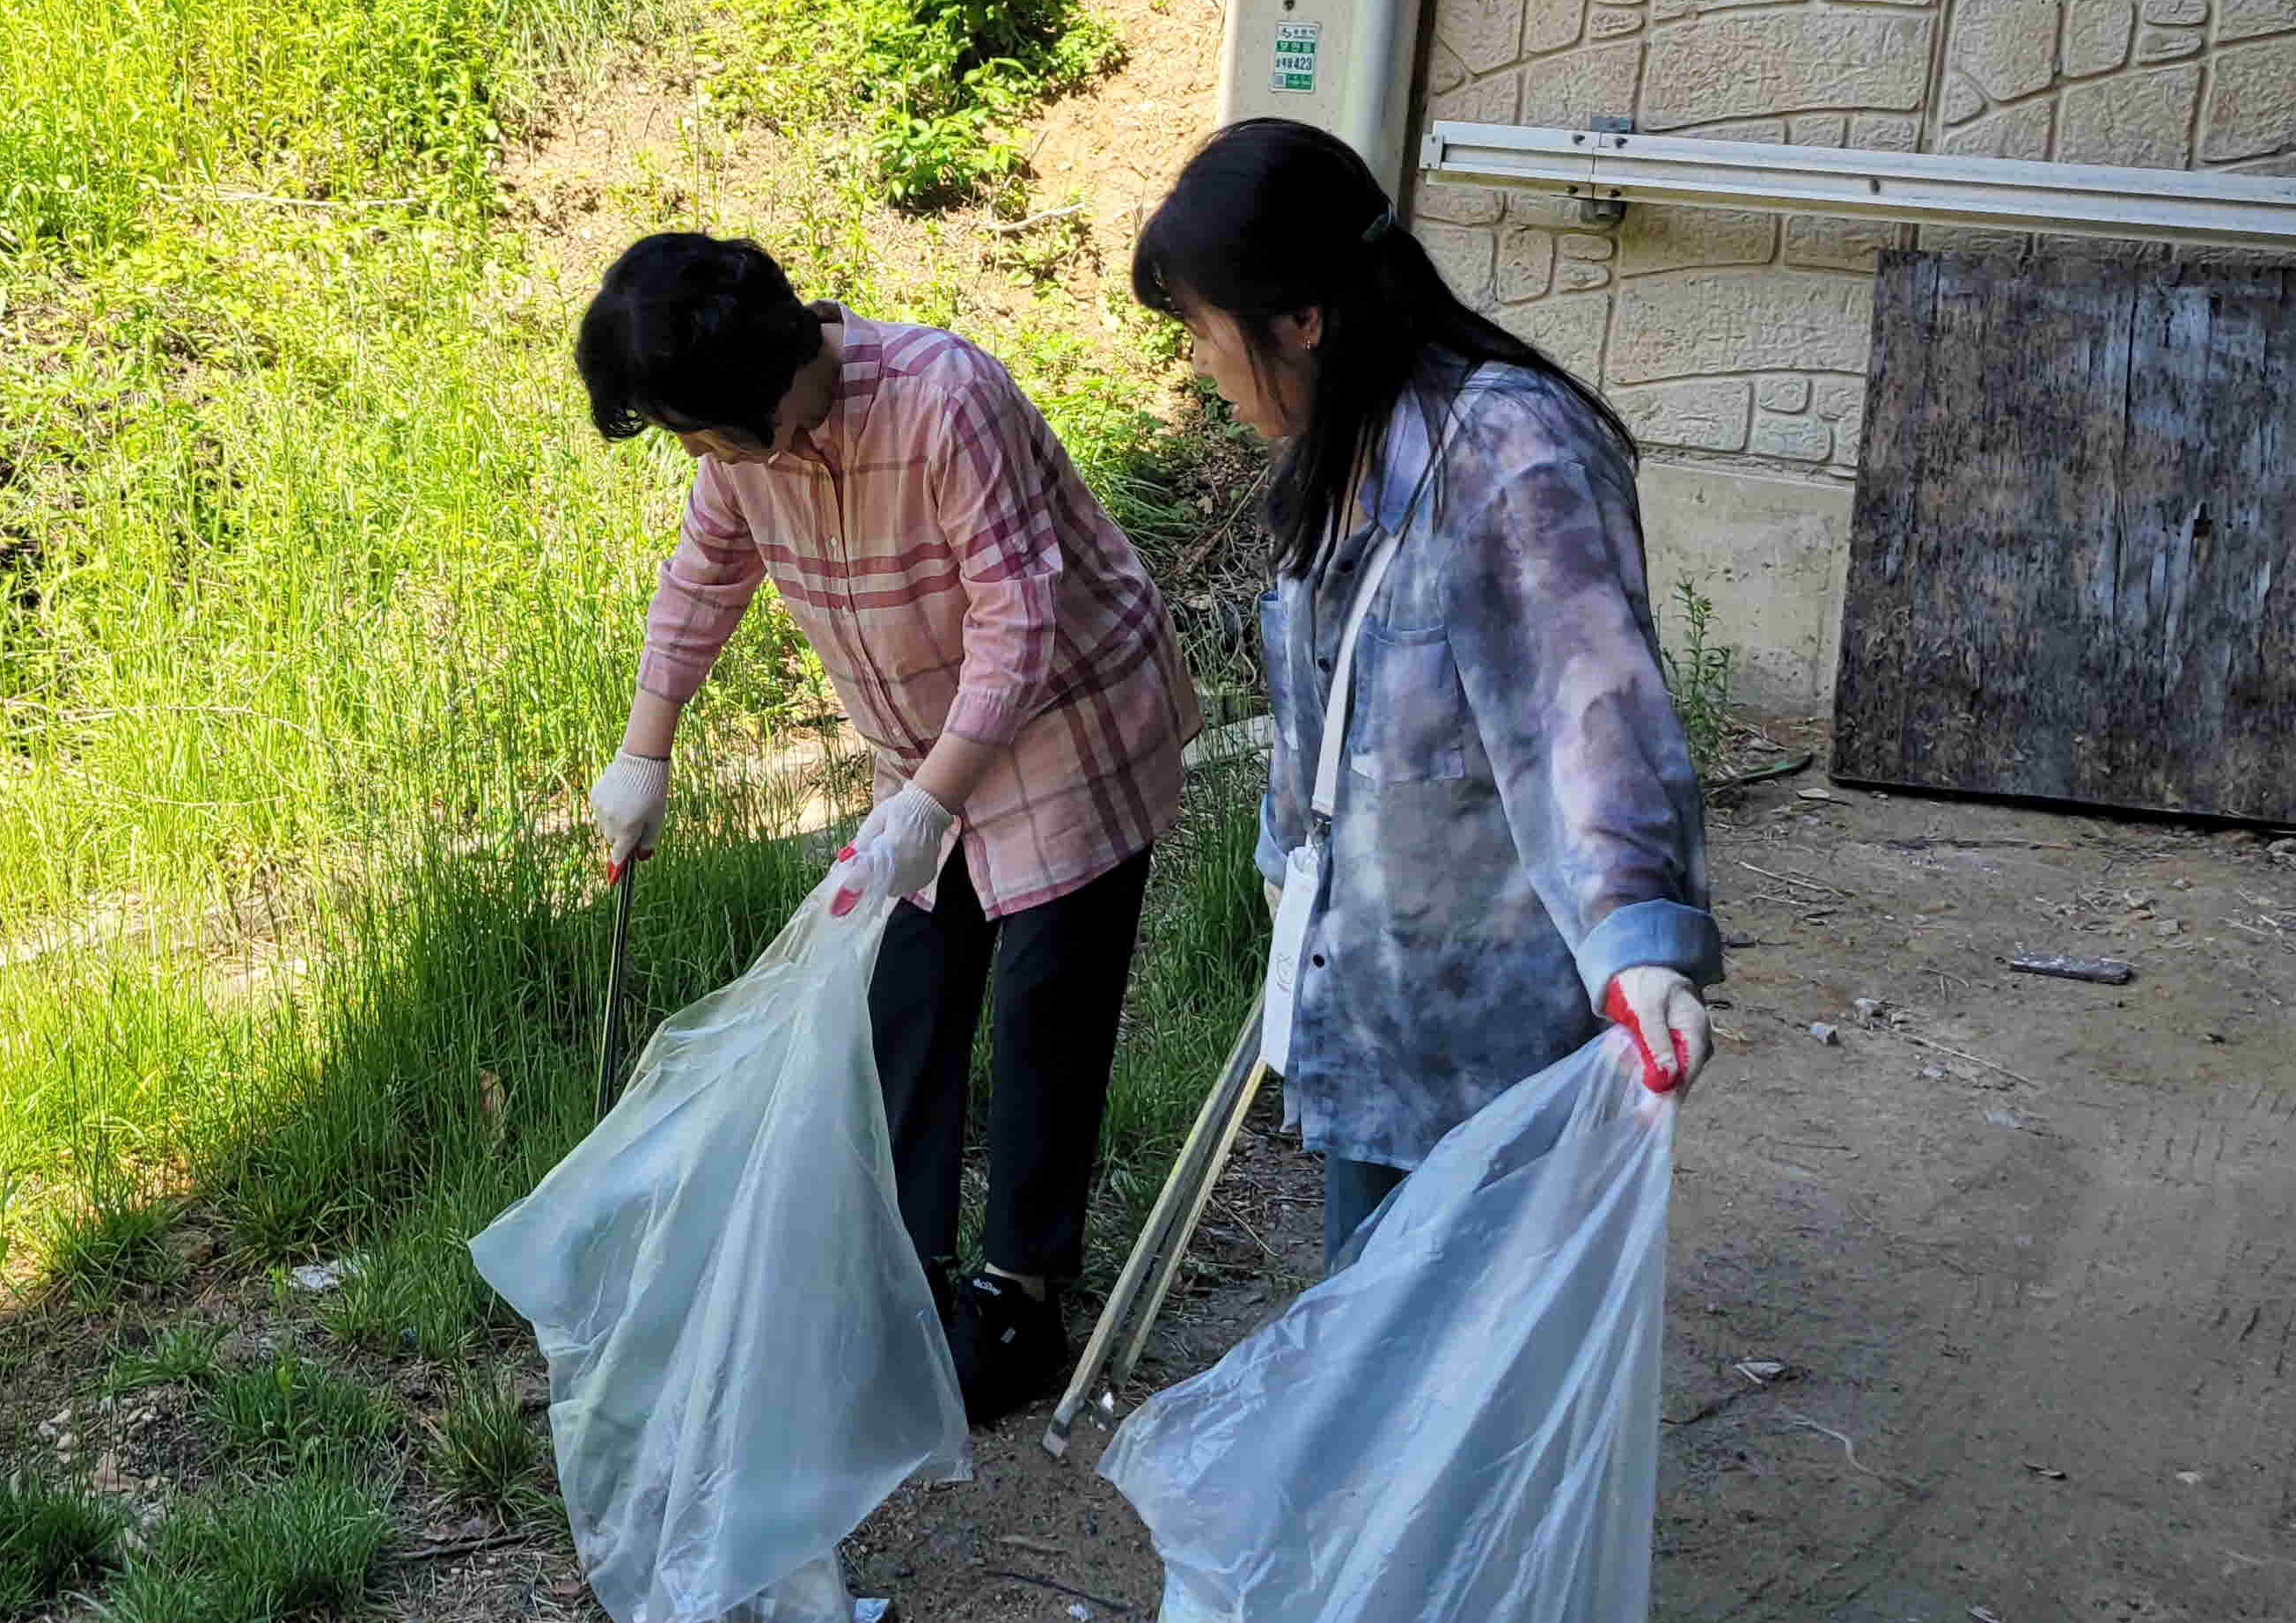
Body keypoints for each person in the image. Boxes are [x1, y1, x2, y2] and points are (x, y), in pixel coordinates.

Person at [574, 231, 1200, 1415]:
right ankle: (906, 1272)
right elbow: (703, 579)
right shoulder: (743, 445)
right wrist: (641, 752)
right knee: (905, 992)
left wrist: (933, 800)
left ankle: (1022, 1297)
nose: (703, 458)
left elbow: (1019, 623)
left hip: (1069, 720)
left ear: (773, 383)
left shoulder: (941, 399)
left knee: (1043, 1013)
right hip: (928, 748)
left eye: (705, 434)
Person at [1130, 121, 1720, 1268]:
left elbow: (1591, 724)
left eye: (1205, 332)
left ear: (1302, 317)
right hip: (1375, 1008)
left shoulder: (1512, 455)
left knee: (1461, 1387)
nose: (1200, 364)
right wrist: (1279, 878)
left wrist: (1639, 945)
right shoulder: (1342, 441)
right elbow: (1320, 709)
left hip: (1487, 1039)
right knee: (1382, 1359)